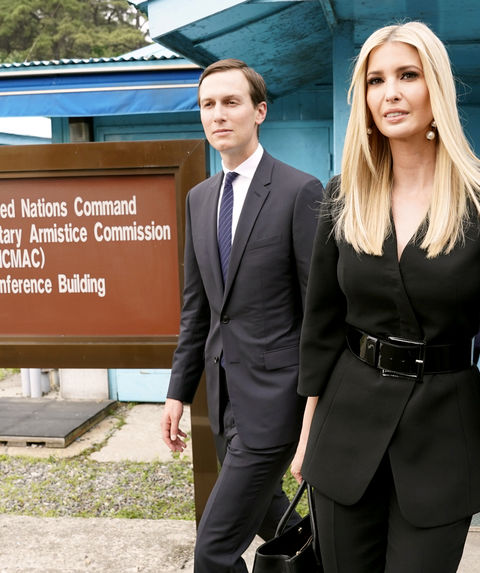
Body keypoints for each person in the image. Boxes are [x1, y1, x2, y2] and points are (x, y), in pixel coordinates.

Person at [290, 22, 480, 572]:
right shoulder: (342, 196)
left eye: (407, 75)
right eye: (376, 81)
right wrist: (307, 438)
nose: (390, 92)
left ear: (436, 88)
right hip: (344, 433)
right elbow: (321, 329)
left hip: (445, 438)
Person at [160, 58, 324, 572]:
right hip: (223, 397)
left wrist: (316, 417)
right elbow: (199, 309)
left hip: (278, 402)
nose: (217, 115)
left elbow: (320, 311)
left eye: (231, 102)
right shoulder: (199, 198)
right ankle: (341, 552)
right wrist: (176, 392)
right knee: (273, 520)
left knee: (212, 550)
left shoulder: (300, 191)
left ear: (260, 111)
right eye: (208, 105)